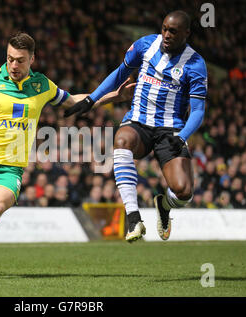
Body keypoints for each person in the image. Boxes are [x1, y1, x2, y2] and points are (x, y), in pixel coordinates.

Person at [0, 32, 133, 277]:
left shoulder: (42, 85)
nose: (14, 65)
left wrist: (112, 97)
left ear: (32, 59)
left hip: (8, 168)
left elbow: (74, 102)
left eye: (19, 60)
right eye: (10, 59)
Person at [65, 11, 208, 242]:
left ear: (186, 33)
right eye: (164, 29)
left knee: (183, 193)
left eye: (173, 31)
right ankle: (133, 218)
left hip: (170, 131)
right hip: (139, 121)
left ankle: (164, 204)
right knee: (122, 141)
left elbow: (198, 111)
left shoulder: (196, 64)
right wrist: (92, 99)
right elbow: (119, 73)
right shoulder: (144, 45)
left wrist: (182, 136)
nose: (167, 35)